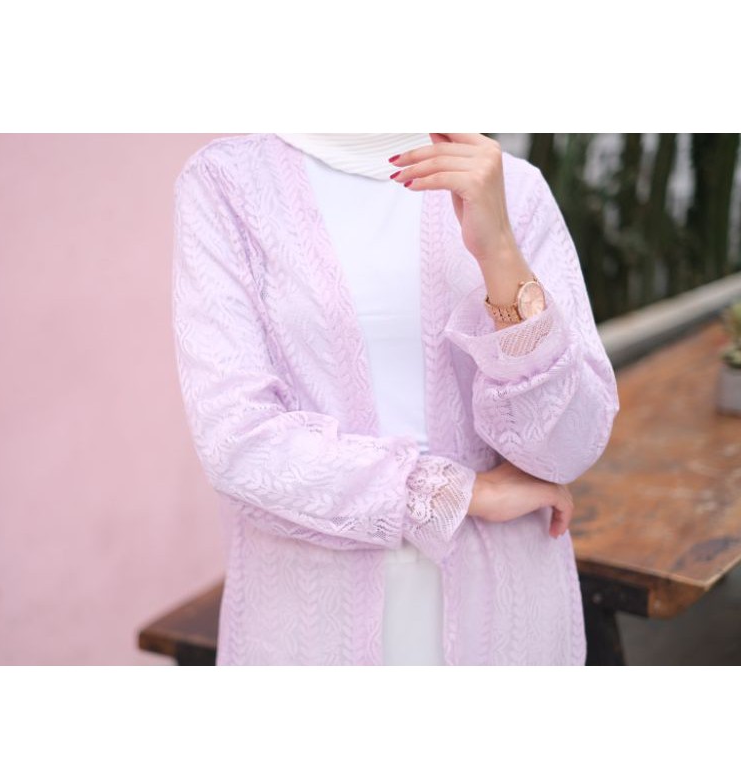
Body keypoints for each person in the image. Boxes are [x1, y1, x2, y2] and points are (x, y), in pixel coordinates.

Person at [171, 132, 620, 665]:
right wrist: (457, 493)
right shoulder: (228, 183)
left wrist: (499, 253)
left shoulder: (511, 186)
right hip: (314, 626)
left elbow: (568, 448)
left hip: (509, 617)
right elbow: (239, 444)